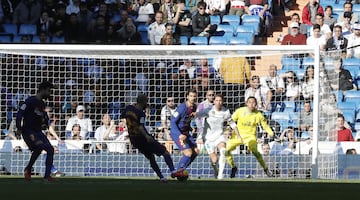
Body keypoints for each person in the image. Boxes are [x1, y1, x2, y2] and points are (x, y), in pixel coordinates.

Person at [120, 94, 184, 182]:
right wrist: (147, 136)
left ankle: (162, 177)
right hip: (142, 138)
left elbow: (123, 117)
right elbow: (140, 127)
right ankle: (173, 171)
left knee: (151, 157)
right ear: (143, 101)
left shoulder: (128, 108)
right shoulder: (140, 113)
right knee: (164, 151)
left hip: (133, 139)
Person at [16, 81, 56, 181]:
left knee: (50, 149)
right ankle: (28, 169)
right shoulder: (30, 101)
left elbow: (45, 118)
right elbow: (19, 114)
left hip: (38, 132)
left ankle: (47, 176)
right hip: (28, 131)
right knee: (40, 146)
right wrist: (19, 128)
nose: (49, 94)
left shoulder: (42, 104)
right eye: (48, 91)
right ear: (42, 90)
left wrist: (48, 125)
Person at [225, 96, 275, 178]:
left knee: (256, 152)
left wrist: (270, 132)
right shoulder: (240, 111)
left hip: (250, 137)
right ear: (246, 103)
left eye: (253, 102)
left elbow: (265, 126)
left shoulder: (259, 114)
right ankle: (233, 167)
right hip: (237, 136)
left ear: (256, 104)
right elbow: (231, 120)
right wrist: (228, 129)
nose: (252, 104)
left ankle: (266, 169)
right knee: (226, 151)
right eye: (250, 102)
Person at [195, 94, 231, 179]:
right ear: (214, 102)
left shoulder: (226, 111)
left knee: (223, 151)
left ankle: (220, 175)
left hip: (219, 136)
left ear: (223, 101)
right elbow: (196, 115)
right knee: (214, 160)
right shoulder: (208, 110)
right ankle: (216, 170)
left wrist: (234, 132)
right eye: (217, 100)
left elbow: (231, 122)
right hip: (208, 138)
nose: (219, 102)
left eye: (220, 100)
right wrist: (192, 115)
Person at [170, 88, 199, 177]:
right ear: (187, 97)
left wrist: (190, 128)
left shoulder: (194, 107)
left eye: (194, 96)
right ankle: (179, 171)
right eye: (191, 96)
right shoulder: (182, 107)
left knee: (196, 151)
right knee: (188, 152)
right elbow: (172, 122)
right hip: (177, 133)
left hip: (186, 133)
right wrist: (179, 135)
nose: (193, 98)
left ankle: (180, 171)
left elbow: (185, 120)